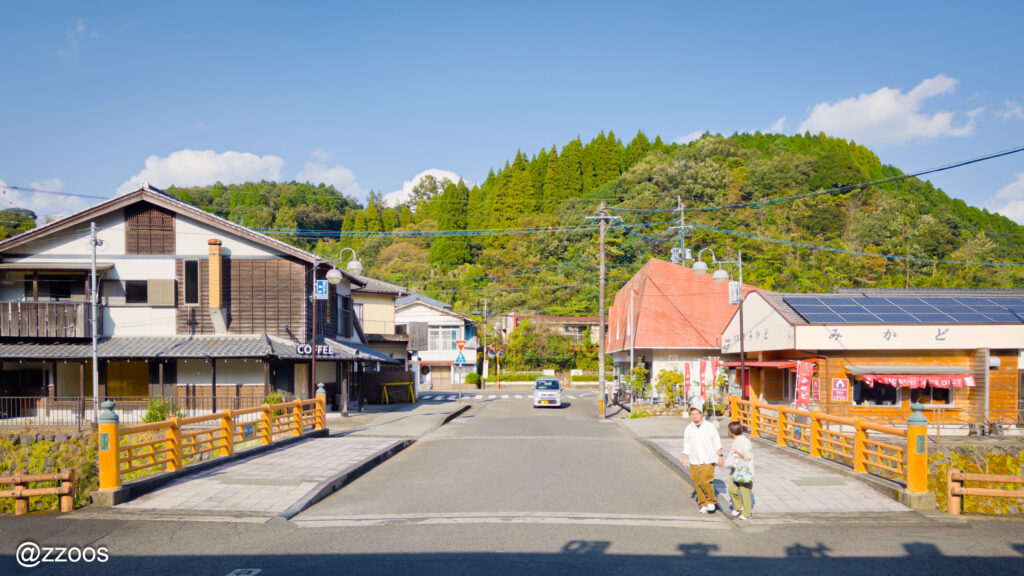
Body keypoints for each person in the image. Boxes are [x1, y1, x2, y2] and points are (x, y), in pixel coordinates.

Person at [682, 405, 723, 513]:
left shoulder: (709, 427)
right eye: (692, 414)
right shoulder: (689, 428)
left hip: (708, 459)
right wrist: (685, 458)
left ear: (701, 414)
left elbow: (716, 441)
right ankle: (703, 504)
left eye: (696, 414)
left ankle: (711, 501)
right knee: (697, 482)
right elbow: (686, 444)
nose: (694, 416)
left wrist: (720, 456)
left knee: (705, 481)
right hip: (694, 459)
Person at [725, 420, 754, 520]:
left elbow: (747, 456)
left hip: (745, 469)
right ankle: (738, 506)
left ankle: (747, 513)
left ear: (732, 431)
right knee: (731, 488)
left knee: (745, 492)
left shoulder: (744, 441)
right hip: (736, 468)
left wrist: (736, 452)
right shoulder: (736, 440)